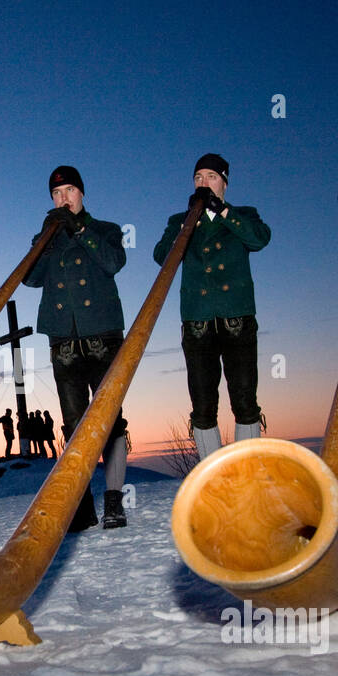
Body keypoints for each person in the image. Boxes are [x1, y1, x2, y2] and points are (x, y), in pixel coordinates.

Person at [22, 165, 129, 530]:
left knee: (110, 419)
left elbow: (114, 262)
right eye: (56, 193)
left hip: (103, 335)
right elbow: (29, 278)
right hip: (63, 340)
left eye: (69, 190)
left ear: (82, 193)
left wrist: (80, 229)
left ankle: (114, 499)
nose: (63, 198)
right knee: (73, 424)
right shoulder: (48, 236)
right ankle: (82, 506)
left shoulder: (106, 230)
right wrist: (48, 238)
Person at [153, 153, 271, 461]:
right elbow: (162, 258)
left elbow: (259, 239)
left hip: (238, 320)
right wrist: (187, 224)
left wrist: (225, 212)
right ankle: (212, 473)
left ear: (224, 183)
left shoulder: (244, 214)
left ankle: (246, 469)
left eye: (211, 177)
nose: (204, 183)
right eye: (198, 178)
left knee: (245, 399)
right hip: (197, 323)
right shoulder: (179, 220)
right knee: (203, 404)